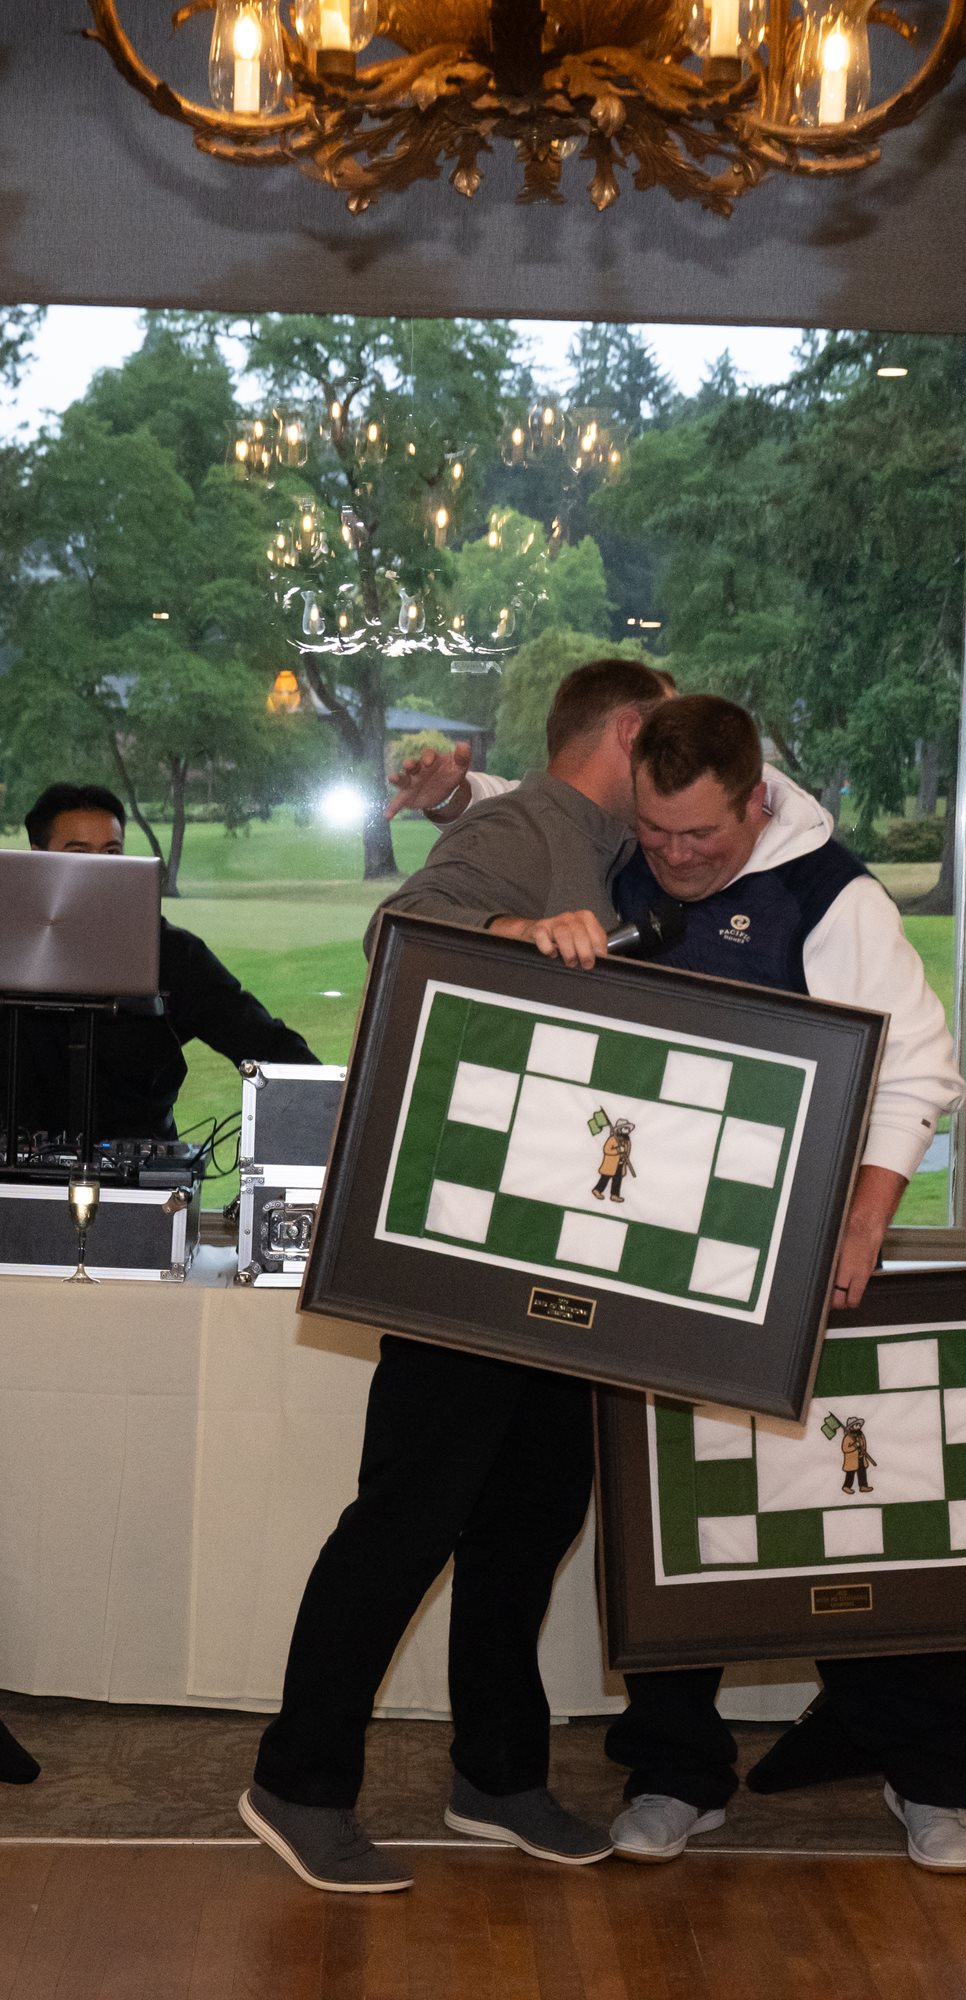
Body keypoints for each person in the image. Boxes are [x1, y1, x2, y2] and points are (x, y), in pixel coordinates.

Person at [529, 694, 966, 1875]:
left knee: (850, 1503)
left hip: (805, 1247)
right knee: (672, 1508)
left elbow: (918, 1066)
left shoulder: (831, 897)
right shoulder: (616, 861)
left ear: (756, 800)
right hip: (656, 1248)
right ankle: (675, 1771)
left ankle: (928, 1775)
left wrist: (862, 1223)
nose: (674, 857)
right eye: (654, 831)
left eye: (700, 835)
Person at [239, 658, 668, 1894]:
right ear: (627, 727)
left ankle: (497, 1772)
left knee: (529, 1517)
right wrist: (512, 933)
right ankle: (296, 1780)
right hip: (464, 1245)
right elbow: (396, 928)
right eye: (665, 731)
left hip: (553, 1243)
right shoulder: (528, 826)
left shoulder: (604, 842)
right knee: (409, 1514)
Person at [9, 785, 318, 1144]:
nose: (100, 867)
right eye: (78, 853)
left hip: (140, 1168)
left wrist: (338, 1113)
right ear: (37, 857)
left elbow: (262, 1040)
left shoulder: (170, 952)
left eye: (111, 852)